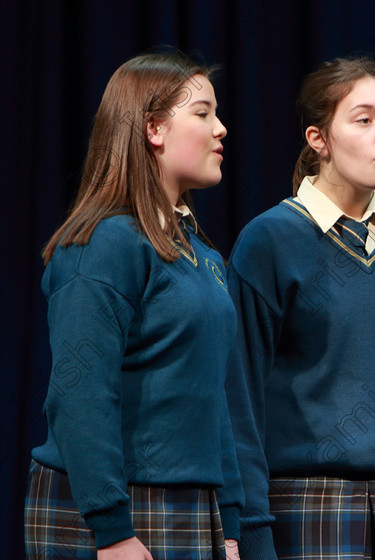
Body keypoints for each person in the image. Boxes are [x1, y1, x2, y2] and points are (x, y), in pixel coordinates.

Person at [225, 56, 375, 560]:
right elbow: (238, 400)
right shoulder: (271, 240)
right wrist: (249, 528)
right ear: (319, 138)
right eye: (364, 120)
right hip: (305, 504)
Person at [24, 51, 243, 560]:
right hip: (116, 509)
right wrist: (113, 529)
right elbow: (79, 392)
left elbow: (214, 399)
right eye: (204, 112)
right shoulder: (105, 243)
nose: (222, 128)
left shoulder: (203, 255)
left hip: (193, 505)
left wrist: (229, 524)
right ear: (153, 129)